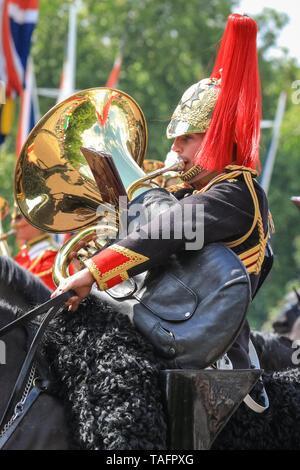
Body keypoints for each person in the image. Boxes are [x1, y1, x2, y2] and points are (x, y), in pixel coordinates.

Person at [52, 14, 273, 369]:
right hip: (162, 322)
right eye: (175, 140)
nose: (177, 150)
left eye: (187, 139)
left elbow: (169, 230)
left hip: (209, 354)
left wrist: (94, 270)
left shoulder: (238, 194)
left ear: (216, 138)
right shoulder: (191, 192)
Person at [11, 203, 59, 291]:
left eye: (18, 217)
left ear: (35, 219)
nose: (13, 224)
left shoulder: (52, 257)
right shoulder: (23, 254)